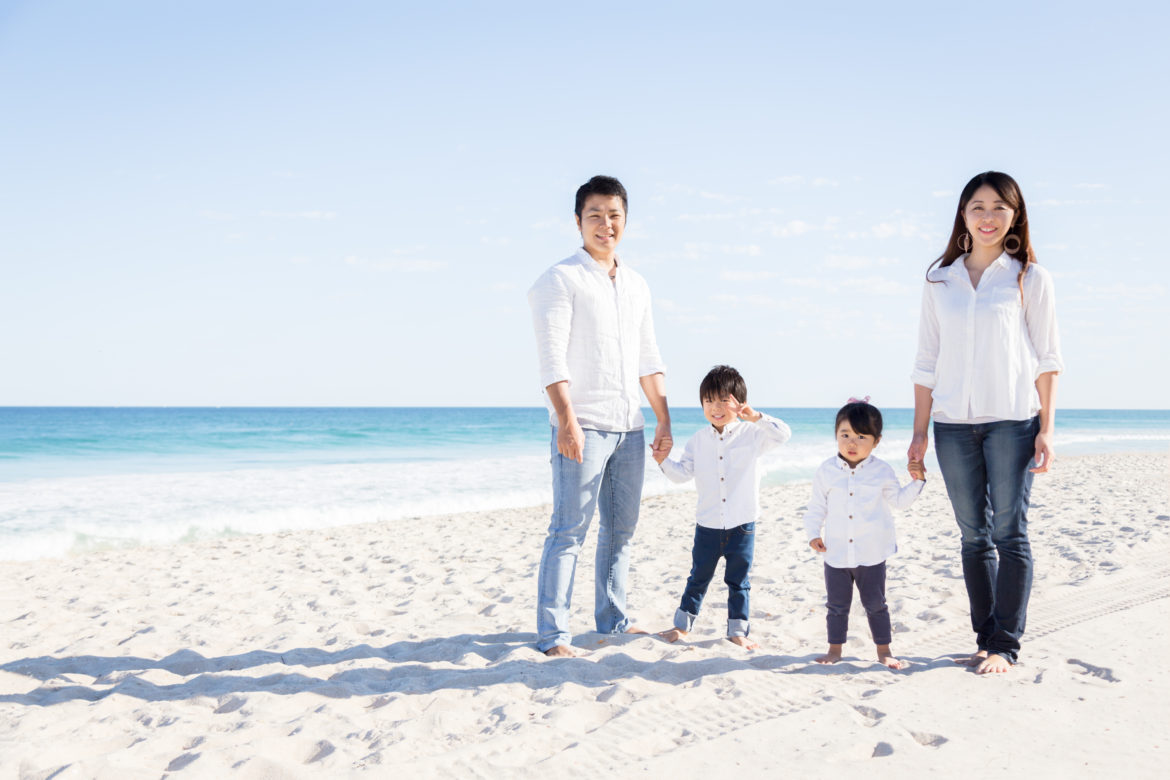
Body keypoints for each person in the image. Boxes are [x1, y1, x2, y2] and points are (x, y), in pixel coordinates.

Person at [908, 171, 1063, 675]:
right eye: (978, 206)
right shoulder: (940, 279)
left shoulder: (1029, 278)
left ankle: (1006, 645)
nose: (988, 216)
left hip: (1013, 421)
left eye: (1000, 207)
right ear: (963, 215)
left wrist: (1046, 428)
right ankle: (984, 638)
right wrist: (917, 433)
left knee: (1008, 532)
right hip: (951, 423)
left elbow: (1048, 359)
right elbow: (925, 361)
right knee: (973, 535)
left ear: (1015, 215)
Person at [528, 175, 673, 657]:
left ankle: (613, 621)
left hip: (629, 427)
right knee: (569, 528)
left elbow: (648, 359)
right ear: (577, 221)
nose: (605, 224)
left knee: (621, 531)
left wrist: (663, 420)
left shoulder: (637, 285)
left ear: (625, 222)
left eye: (614, 215)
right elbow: (552, 359)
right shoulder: (559, 279)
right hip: (583, 424)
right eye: (595, 215)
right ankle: (553, 635)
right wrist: (566, 419)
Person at [653, 365, 790, 650]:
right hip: (708, 525)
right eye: (709, 401)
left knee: (738, 581)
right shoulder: (697, 441)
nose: (716, 408)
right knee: (698, 577)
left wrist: (757, 417)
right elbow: (681, 474)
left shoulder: (752, 435)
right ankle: (682, 626)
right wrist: (662, 460)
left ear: (738, 403)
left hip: (742, 524)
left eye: (723, 401)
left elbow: (783, 435)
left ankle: (737, 631)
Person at [803, 399, 925, 670]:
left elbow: (899, 501)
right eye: (845, 435)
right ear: (836, 435)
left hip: (871, 553)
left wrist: (918, 481)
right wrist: (813, 534)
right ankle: (834, 650)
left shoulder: (881, 471)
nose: (852, 442)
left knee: (876, 604)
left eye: (861, 436)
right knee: (836, 606)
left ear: (876, 441)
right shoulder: (826, 471)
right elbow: (816, 507)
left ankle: (884, 651)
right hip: (835, 553)